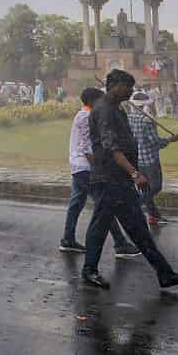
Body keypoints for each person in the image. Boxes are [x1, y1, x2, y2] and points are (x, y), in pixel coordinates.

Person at [81, 69, 178, 290]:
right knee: (100, 225)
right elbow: (111, 147)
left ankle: (165, 273)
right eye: (127, 86)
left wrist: (130, 174)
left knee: (139, 228)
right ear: (114, 85)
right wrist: (135, 172)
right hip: (108, 178)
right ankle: (89, 270)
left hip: (120, 179)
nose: (131, 91)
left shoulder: (117, 109)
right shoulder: (104, 110)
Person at [60, 87, 140, 256]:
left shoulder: (88, 114)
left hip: (80, 167)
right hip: (86, 167)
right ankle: (120, 244)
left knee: (77, 204)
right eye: (100, 100)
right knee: (105, 206)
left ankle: (68, 239)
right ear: (91, 101)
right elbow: (86, 147)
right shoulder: (85, 116)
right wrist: (99, 168)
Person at [127, 91, 178, 225]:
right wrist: (171, 139)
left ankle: (153, 216)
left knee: (145, 189)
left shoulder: (129, 117)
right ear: (145, 106)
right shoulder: (147, 121)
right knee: (155, 187)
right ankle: (133, 206)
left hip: (136, 159)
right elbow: (156, 142)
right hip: (150, 160)